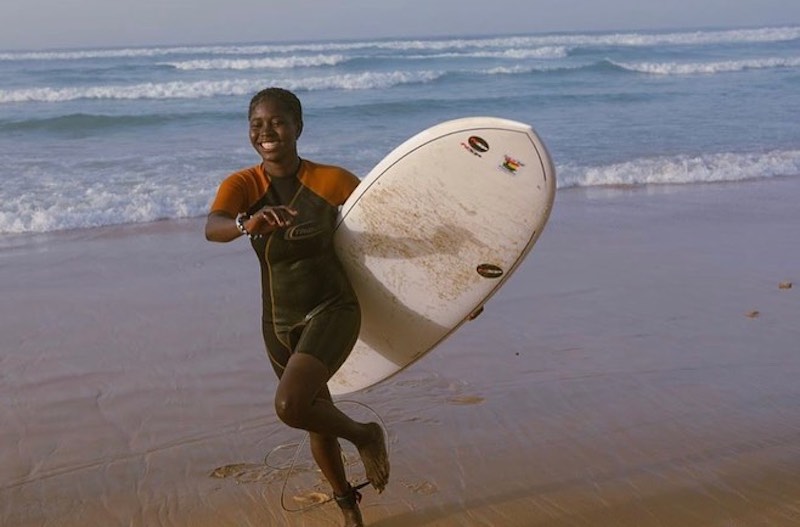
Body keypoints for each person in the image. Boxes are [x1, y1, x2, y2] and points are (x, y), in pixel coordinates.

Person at [205, 87, 389, 527]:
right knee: (314, 419)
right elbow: (212, 227)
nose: (266, 132)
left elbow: (386, 232)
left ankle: (367, 435)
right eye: (257, 124)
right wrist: (245, 223)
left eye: (277, 122)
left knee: (290, 405)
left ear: (298, 127)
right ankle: (349, 508)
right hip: (278, 323)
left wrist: (457, 298)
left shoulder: (333, 181)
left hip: (333, 308)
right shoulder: (243, 185)